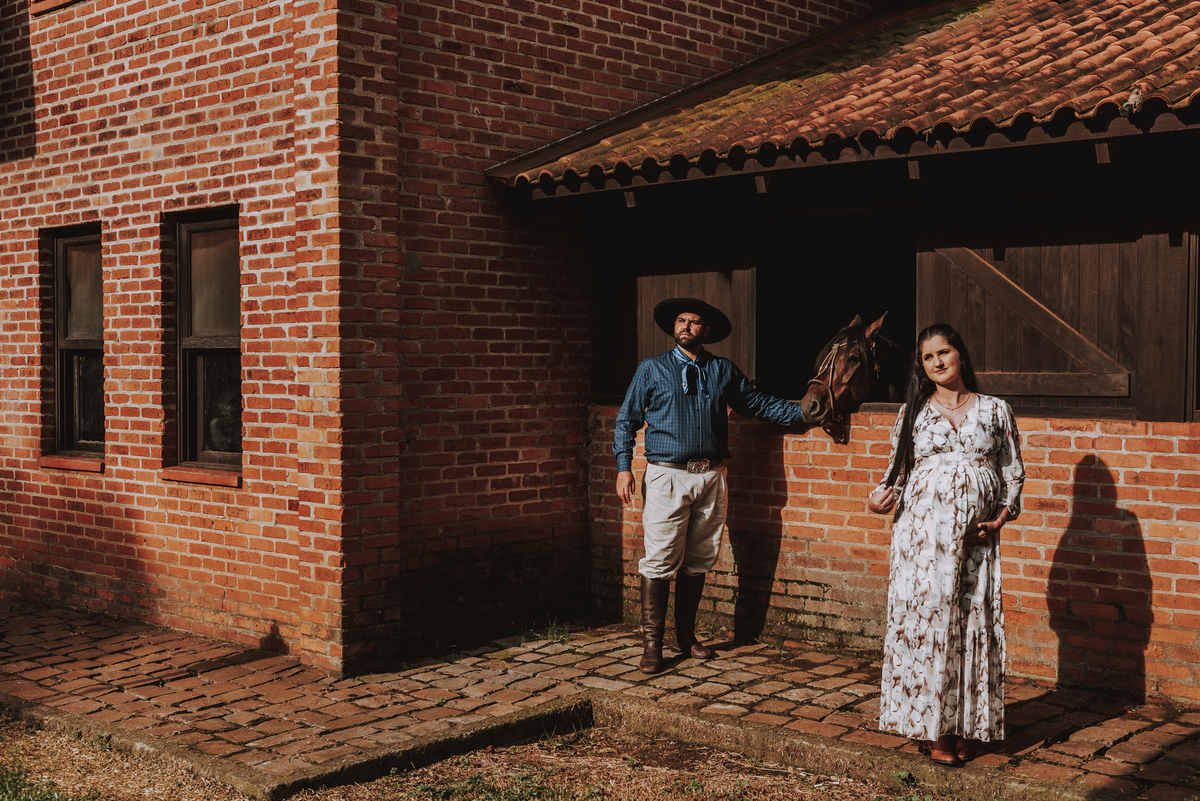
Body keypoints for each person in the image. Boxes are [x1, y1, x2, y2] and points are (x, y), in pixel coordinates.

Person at [614, 297, 807, 674]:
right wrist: (624, 467)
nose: (685, 326)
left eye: (694, 321)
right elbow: (627, 421)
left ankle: (685, 637)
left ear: (707, 330)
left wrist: (804, 412)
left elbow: (756, 404)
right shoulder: (652, 369)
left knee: (699, 558)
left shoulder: (722, 370)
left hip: (711, 476)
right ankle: (652, 645)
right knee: (660, 559)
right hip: (667, 475)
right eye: (680, 320)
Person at [867, 324, 1024, 766]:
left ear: (960, 354)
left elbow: (1013, 472)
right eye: (928, 357)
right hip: (921, 541)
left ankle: (967, 724)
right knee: (928, 625)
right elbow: (896, 474)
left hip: (976, 539)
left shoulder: (995, 409)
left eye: (944, 352)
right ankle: (935, 730)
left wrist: (1000, 518)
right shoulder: (913, 411)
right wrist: (878, 499)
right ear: (922, 367)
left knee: (971, 622)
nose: (937, 361)